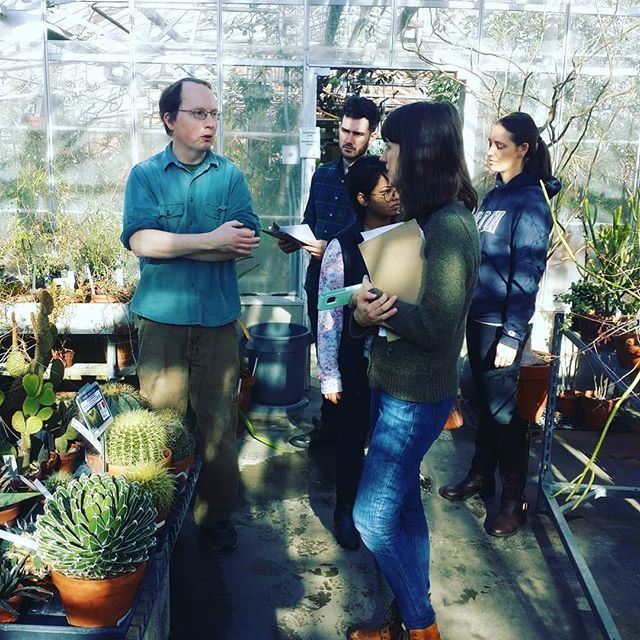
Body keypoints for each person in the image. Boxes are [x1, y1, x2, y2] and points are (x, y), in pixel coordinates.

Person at [347, 102, 480, 640]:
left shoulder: (450, 227)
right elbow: (402, 307)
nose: (386, 157)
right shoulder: (424, 220)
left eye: (393, 146)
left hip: (414, 398)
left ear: (419, 155)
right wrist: (363, 313)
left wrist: (383, 307)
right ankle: (405, 615)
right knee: (402, 509)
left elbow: (439, 327)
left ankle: (421, 626)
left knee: (370, 517)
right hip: (394, 385)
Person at [121, 77, 260, 552]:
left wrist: (175, 247)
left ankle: (215, 515)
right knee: (163, 422)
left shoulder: (231, 176)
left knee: (219, 423)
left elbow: (241, 245)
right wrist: (210, 240)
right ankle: (157, 515)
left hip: (218, 320)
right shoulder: (145, 176)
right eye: (199, 114)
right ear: (170, 121)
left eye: (214, 114)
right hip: (162, 320)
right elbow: (141, 241)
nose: (210, 123)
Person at [439, 111, 561, 538]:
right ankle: (479, 476)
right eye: (489, 143)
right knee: (484, 404)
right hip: (478, 318)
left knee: (505, 413)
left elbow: (527, 274)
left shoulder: (529, 202)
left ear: (523, 150)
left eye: (500, 146)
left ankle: (513, 501)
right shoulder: (496, 196)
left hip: (500, 326)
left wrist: (513, 334)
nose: (490, 152)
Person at [280, 96, 380, 447]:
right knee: (325, 355)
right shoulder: (323, 174)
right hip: (318, 281)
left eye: (357, 133)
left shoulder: (377, 180)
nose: (348, 139)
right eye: (344, 130)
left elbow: (379, 236)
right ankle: (329, 425)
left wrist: (334, 250)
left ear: (372, 135)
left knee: (354, 360)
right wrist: (295, 238)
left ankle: (355, 432)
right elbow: (311, 221)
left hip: (359, 285)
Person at [317, 156, 400, 549]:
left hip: (398, 362)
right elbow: (329, 315)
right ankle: (345, 509)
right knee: (351, 437)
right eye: (388, 192)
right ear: (364, 199)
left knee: (388, 439)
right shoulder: (342, 245)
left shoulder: (407, 236)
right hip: (357, 360)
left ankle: (382, 510)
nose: (396, 196)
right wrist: (329, 373)